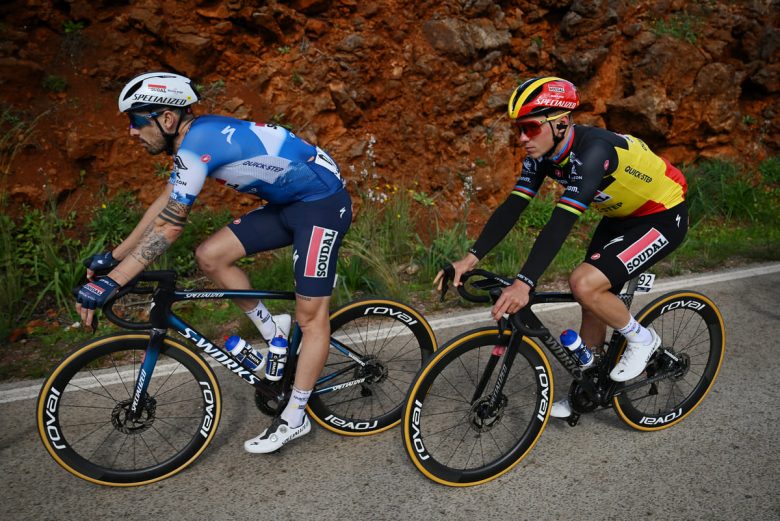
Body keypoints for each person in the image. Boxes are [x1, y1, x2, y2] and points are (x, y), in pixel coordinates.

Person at [75, 71, 352, 451]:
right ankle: (273, 330)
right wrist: (113, 258)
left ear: (167, 118)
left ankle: (295, 415)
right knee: (210, 256)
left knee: (311, 316)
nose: (132, 131)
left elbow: (169, 227)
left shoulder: (199, 143)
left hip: (321, 205)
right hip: (288, 203)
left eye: (137, 120)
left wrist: (113, 282)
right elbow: (166, 202)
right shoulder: (193, 141)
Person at [436, 76, 688, 418]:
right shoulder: (542, 154)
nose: (522, 138)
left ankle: (642, 339)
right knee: (592, 301)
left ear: (561, 123)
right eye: (518, 129)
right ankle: (589, 386)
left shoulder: (594, 151)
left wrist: (524, 282)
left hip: (662, 214)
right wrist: (470, 258)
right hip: (619, 216)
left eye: (530, 128)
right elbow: (514, 205)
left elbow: (561, 221)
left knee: (584, 284)